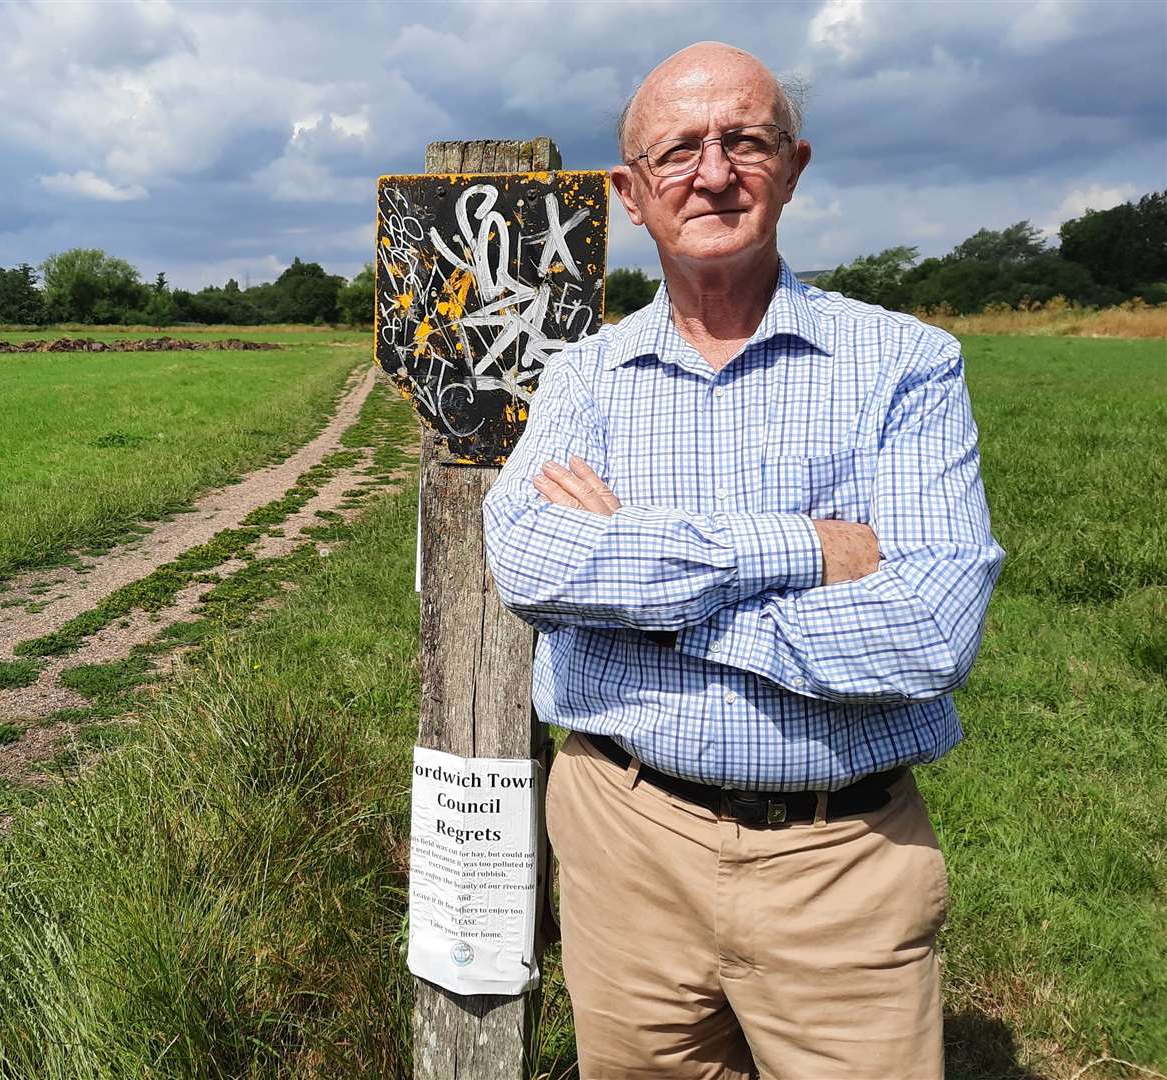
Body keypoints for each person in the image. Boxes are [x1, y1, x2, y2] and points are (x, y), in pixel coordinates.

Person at [482, 41, 1004, 1079]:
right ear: (631, 194)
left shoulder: (905, 364)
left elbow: (928, 630)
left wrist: (638, 592)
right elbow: (529, 558)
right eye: (678, 151)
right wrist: (803, 546)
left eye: (744, 142)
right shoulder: (586, 374)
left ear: (795, 166)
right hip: (623, 841)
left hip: (839, 859)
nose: (713, 173)